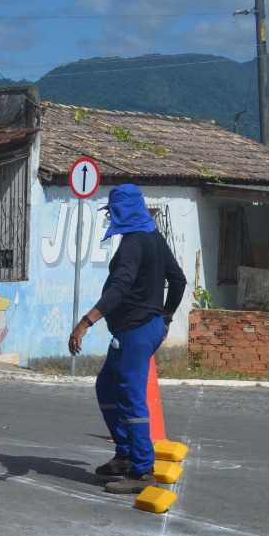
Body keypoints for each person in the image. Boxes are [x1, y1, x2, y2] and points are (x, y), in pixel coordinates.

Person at [69, 184, 186, 495]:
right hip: (144, 327)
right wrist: (167, 316)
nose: (112, 216)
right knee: (107, 385)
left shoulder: (134, 243)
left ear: (123, 210)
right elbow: (179, 280)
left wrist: (85, 322)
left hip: (136, 330)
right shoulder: (153, 237)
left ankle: (142, 468)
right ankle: (125, 454)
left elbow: (119, 288)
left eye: (113, 210)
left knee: (131, 396)